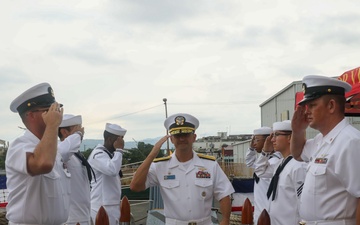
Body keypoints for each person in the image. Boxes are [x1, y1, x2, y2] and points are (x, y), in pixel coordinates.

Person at [130, 113, 234, 225]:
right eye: (177, 136)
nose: (182, 139)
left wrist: (225, 220)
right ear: (171, 139)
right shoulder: (160, 166)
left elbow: (224, 194)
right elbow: (135, 186)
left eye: (186, 134)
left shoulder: (210, 164)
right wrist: (152, 155)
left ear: (194, 137)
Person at [291, 75, 360, 225]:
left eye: (313, 105)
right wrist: (297, 131)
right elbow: (297, 154)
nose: (306, 111)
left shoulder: (350, 142)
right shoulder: (320, 141)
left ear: (331, 106)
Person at [6, 82, 70, 224]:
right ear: (31, 115)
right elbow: (43, 164)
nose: (57, 114)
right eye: (49, 110)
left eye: (57, 109)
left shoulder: (53, 149)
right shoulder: (19, 146)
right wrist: (52, 125)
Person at [255, 120, 306, 225]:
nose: (272, 140)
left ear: (290, 138)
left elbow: (304, 203)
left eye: (276, 135)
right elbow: (260, 171)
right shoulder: (281, 163)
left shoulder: (299, 166)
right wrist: (265, 152)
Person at [58, 114, 93, 225]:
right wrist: (77, 135)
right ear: (64, 132)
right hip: (71, 219)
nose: (81, 132)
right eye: (77, 129)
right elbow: (62, 152)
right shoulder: (58, 149)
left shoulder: (76, 155)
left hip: (84, 214)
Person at [88, 123, 126, 225]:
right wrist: (119, 150)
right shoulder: (98, 154)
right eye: (119, 139)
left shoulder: (109, 154)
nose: (122, 142)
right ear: (110, 139)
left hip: (111, 205)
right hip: (101, 206)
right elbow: (112, 170)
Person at [245, 126, 281, 224]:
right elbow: (249, 162)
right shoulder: (265, 160)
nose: (254, 143)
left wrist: (265, 152)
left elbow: (258, 169)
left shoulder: (274, 161)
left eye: (257, 140)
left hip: (268, 216)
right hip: (260, 213)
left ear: (267, 141)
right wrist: (251, 149)